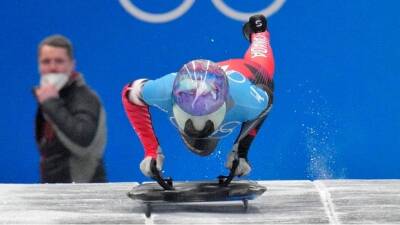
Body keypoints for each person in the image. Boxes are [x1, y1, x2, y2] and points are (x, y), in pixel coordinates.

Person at [122, 15, 274, 178]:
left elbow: (267, 103)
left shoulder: (247, 99)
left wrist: (241, 150)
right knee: (201, 148)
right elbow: (128, 94)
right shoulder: (164, 89)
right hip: (214, 80)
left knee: (263, 62)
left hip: (248, 74)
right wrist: (151, 150)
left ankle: (259, 33)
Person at [33, 34, 107, 183]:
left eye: (59, 61)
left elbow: (83, 143)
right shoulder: (52, 97)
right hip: (56, 190)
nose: (52, 67)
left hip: (82, 194)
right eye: (46, 61)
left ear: (72, 64)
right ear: (39, 66)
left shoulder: (85, 97)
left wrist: (51, 104)